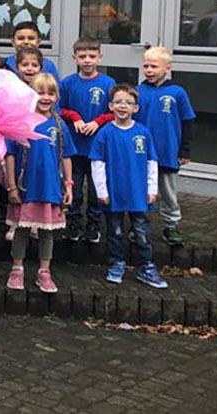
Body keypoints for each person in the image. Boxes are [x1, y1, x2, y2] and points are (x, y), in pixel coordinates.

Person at [91, 84, 169, 289]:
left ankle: (146, 267)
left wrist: (151, 190)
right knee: (115, 232)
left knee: (142, 232)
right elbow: (97, 164)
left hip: (138, 195)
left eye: (128, 102)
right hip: (114, 194)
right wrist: (102, 191)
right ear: (110, 106)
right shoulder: (105, 133)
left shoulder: (143, 133)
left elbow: (152, 162)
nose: (122, 106)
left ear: (136, 108)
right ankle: (116, 264)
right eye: (118, 101)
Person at [5, 74, 74, 295]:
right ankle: (17, 268)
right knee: (22, 229)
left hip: (51, 187)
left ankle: (44, 271)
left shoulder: (60, 124)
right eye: (40, 92)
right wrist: (12, 186)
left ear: (57, 96)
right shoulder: (20, 120)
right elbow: (10, 155)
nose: (45, 97)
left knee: (47, 232)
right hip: (26, 187)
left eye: (50, 93)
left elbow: (66, 156)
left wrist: (69, 186)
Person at [136, 47, 194, 247]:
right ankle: (140, 225)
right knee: (142, 189)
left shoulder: (177, 93)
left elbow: (187, 121)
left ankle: (171, 225)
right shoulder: (138, 91)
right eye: (146, 66)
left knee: (168, 191)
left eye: (154, 66)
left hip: (168, 152)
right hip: (142, 153)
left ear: (167, 68)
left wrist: (184, 150)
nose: (149, 70)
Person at [58, 38, 115, 244]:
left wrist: (98, 122)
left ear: (100, 57)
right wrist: (75, 117)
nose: (87, 60)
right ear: (75, 58)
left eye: (92, 56)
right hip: (75, 147)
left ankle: (93, 224)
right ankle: (73, 222)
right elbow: (59, 109)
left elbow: (114, 112)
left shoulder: (108, 84)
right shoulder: (67, 83)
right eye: (82, 57)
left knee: (95, 188)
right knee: (73, 185)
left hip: (97, 148)